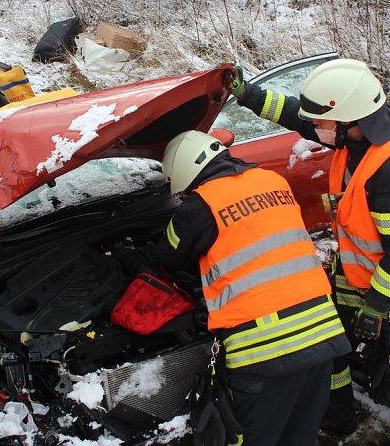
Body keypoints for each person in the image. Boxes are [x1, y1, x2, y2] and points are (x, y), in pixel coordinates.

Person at [229, 58, 390, 445]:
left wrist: (376, 304)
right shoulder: (352, 135)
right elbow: (296, 114)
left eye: (322, 123)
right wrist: (248, 95)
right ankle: (338, 417)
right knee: (329, 350)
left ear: (347, 118)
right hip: (352, 279)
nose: (314, 130)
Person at [149, 129, 351, 446]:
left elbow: (167, 256)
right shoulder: (273, 181)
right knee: (300, 434)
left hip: (267, 351)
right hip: (323, 333)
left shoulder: (200, 206)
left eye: (184, 191)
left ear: (187, 176)